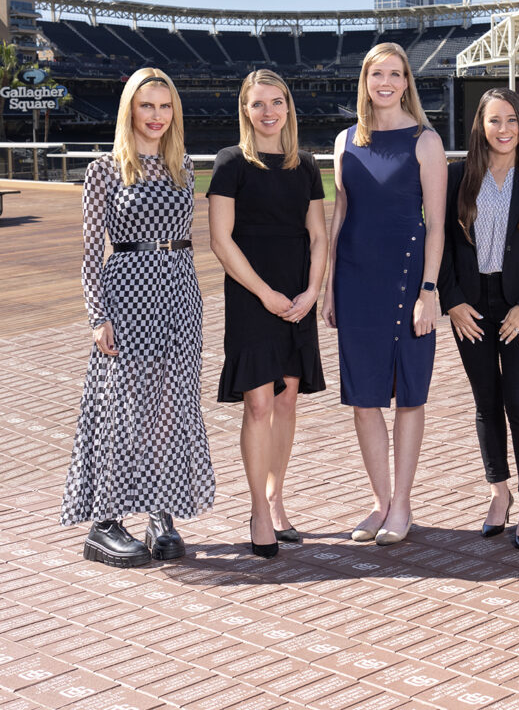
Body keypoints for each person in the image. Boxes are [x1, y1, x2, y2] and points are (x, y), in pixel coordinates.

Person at [61, 68, 215, 566]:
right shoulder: (104, 169)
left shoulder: (183, 166)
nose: (157, 116)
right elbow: (89, 252)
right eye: (147, 106)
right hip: (127, 292)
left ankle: (160, 510)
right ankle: (105, 522)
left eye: (165, 106)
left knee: (172, 405)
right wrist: (96, 315)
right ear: (130, 109)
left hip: (180, 291)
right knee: (124, 406)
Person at [322, 42, 447, 546]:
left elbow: (436, 225)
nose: (387, 83)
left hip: (406, 279)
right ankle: (379, 502)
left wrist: (430, 290)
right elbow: (340, 215)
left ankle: (403, 504)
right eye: (378, 74)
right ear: (366, 81)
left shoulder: (426, 141)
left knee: (409, 395)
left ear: (406, 82)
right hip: (355, 281)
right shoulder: (344, 140)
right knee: (365, 397)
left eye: (396, 74)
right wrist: (330, 286)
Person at [208, 69, 327, 558]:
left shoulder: (305, 165)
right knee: (258, 403)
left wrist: (312, 291)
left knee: (286, 402)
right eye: (258, 104)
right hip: (252, 295)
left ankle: (278, 500)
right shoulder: (230, 162)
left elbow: (319, 236)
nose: (269, 112)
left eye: (276, 102)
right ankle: (258, 509)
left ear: (288, 108)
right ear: (245, 111)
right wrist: (264, 294)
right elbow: (220, 240)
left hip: (299, 296)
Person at [438, 88, 519, 548]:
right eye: (494, 121)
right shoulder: (457, 178)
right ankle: (498, 493)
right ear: (480, 126)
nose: (504, 129)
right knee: (486, 403)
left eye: (511, 119)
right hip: (470, 305)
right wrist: (450, 301)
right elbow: (444, 245)